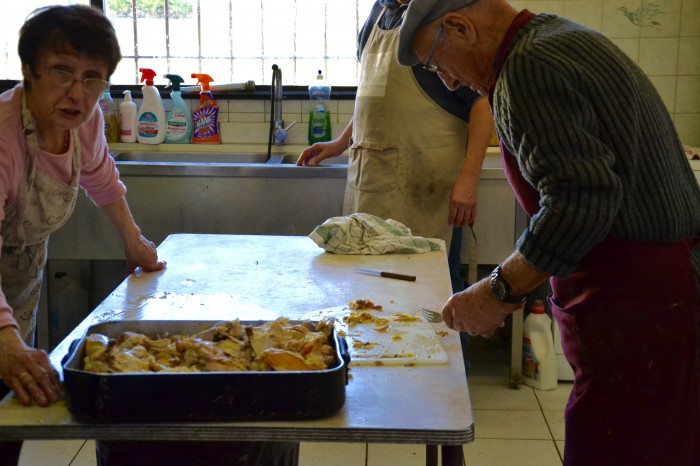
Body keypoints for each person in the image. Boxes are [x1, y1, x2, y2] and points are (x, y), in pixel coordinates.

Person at [396, 1, 700, 465]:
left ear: (460, 26)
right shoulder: (554, 37)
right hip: (652, 294)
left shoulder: (528, 68)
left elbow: (581, 198)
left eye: (439, 64)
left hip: (642, 302)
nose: (450, 82)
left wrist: (497, 291)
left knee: (624, 448)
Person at [0, 5, 166, 465]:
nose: (78, 92)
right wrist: (5, 340)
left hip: (17, 286)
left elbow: (100, 175)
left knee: (8, 418)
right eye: (62, 72)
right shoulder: (3, 137)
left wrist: (133, 241)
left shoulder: (85, 121)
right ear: (29, 71)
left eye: (92, 77)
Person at [297, 0, 493, 286]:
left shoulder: (436, 16)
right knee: (369, 292)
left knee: (429, 296)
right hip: (370, 188)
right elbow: (376, 92)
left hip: (425, 195)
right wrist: (341, 142)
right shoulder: (378, 14)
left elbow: (482, 102)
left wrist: (469, 178)